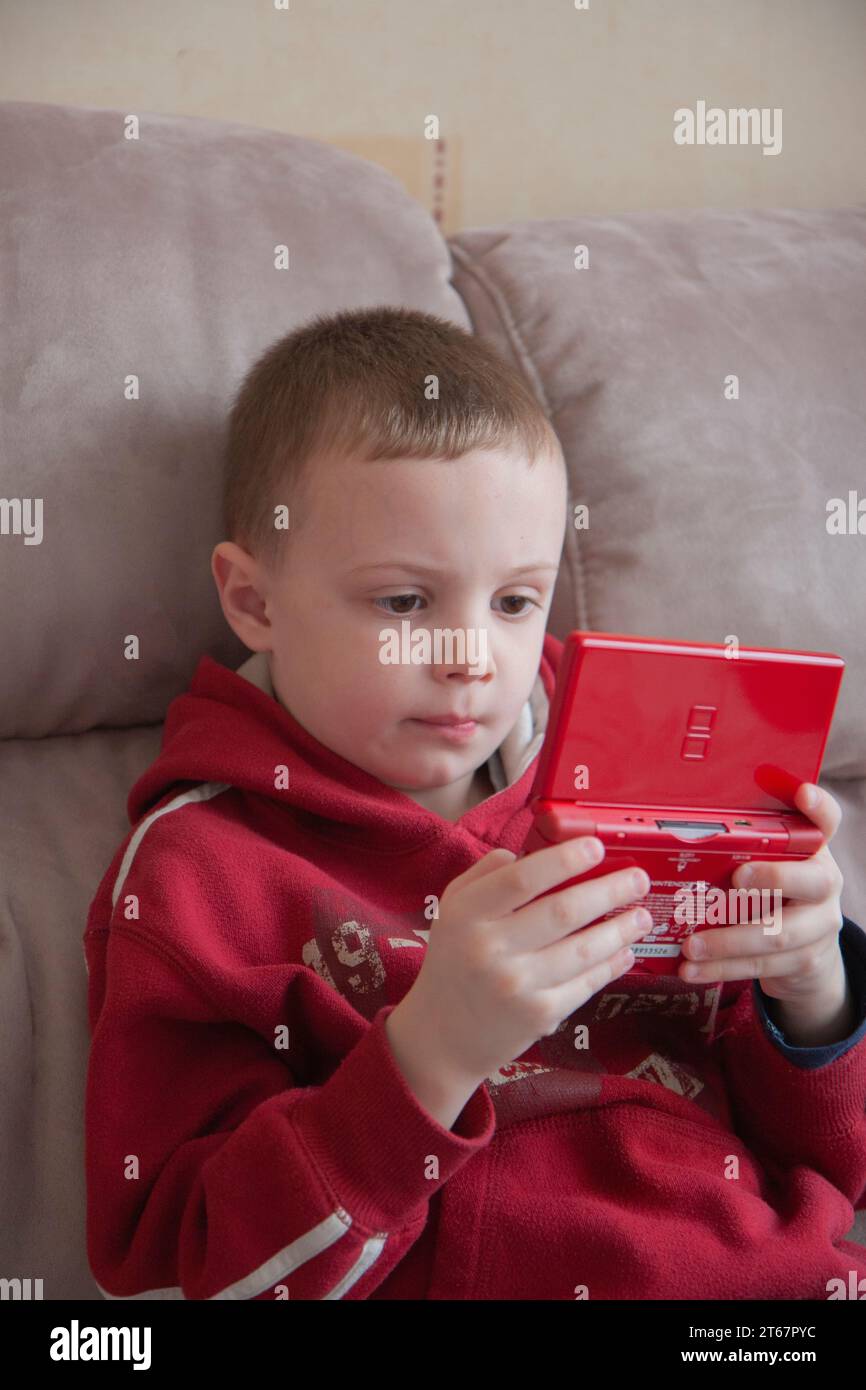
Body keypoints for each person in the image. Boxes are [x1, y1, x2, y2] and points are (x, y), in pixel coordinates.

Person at [84, 305, 866, 1300]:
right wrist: (428, 1053)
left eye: (512, 602)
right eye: (404, 602)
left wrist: (810, 995)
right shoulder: (198, 873)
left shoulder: (635, 779)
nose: (468, 658)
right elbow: (196, 1271)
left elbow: (828, 1167)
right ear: (254, 602)